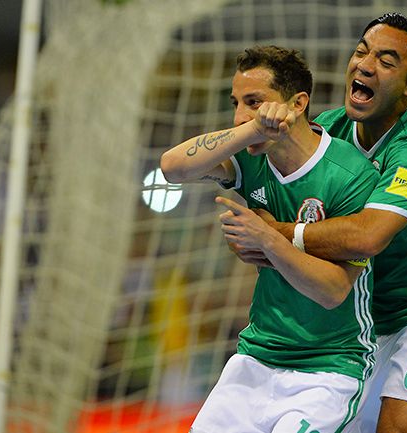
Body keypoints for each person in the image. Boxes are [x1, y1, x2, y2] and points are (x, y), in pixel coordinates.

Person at [236, 14, 407, 433]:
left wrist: (270, 235)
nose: (365, 65)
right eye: (361, 52)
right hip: (361, 321)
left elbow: (367, 236)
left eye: (387, 61)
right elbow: (248, 175)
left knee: (399, 427)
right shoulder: (330, 129)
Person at [160, 45, 380, 433]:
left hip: (329, 370)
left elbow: (332, 291)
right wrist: (254, 127)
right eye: (236, 103)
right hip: (255, 359)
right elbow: (172, 168)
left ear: (298, 104)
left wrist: (269, 239)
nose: (241, 116)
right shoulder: (250, 157)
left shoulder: (350, 174)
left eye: (255, 102)